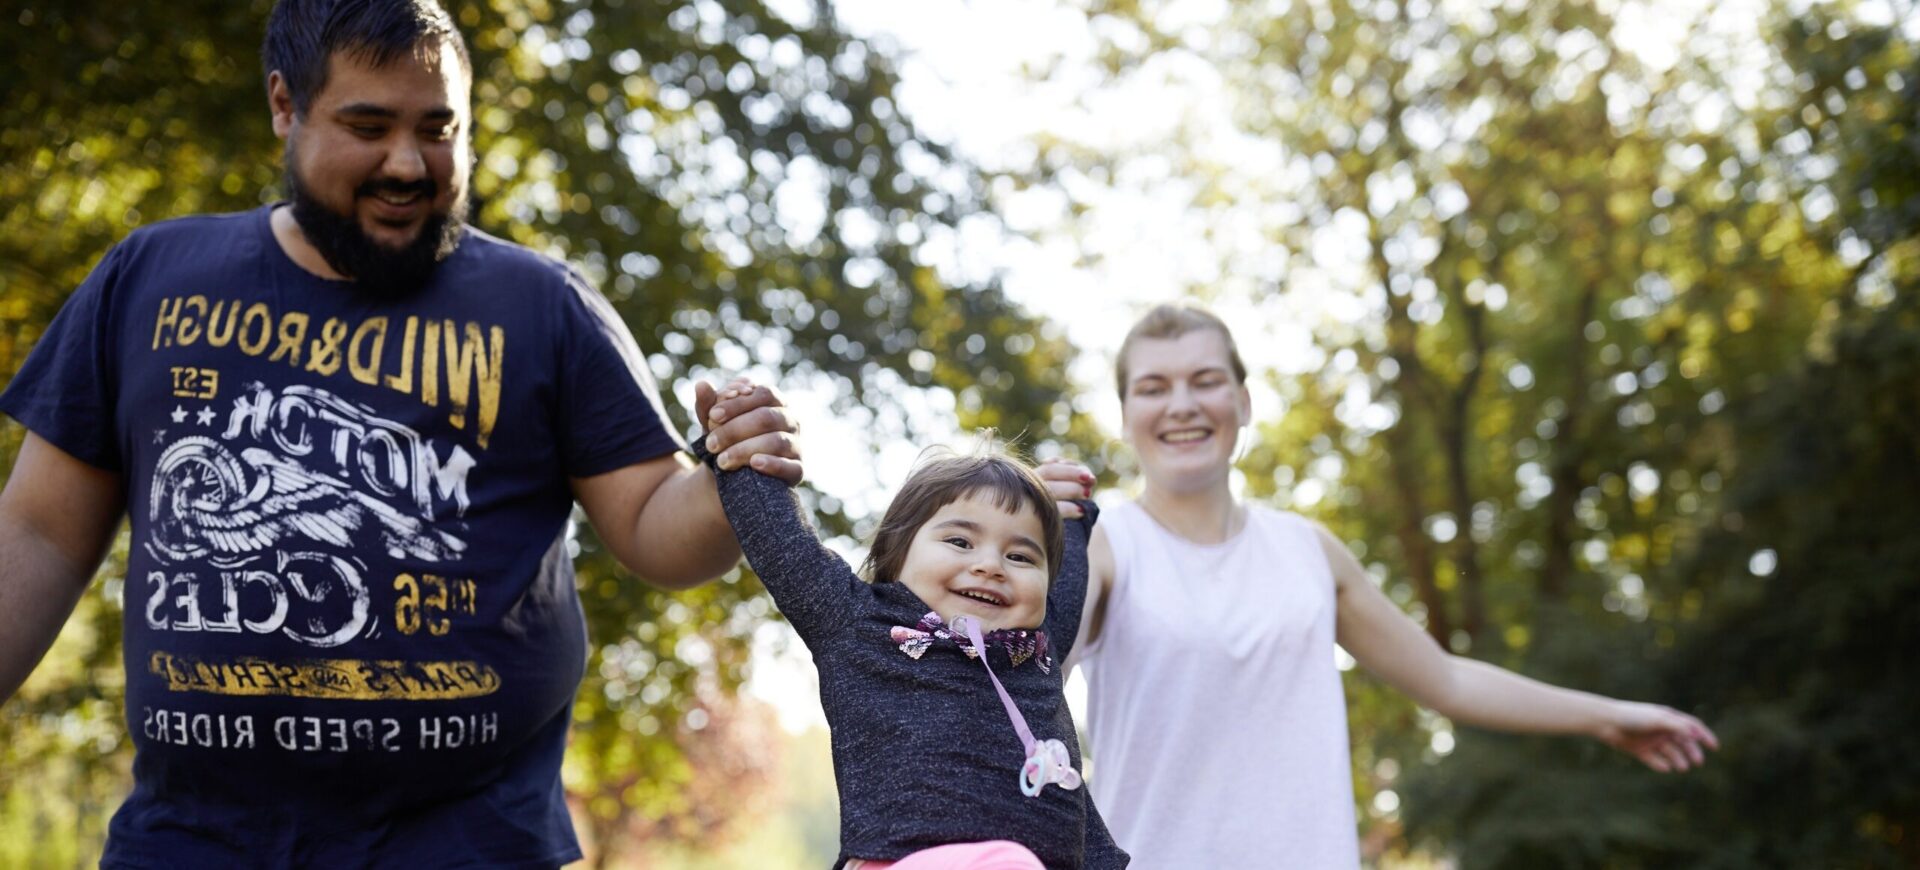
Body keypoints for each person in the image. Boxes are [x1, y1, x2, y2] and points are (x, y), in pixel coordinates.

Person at [0, 1, 802, 865]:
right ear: (284, 106)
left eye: (438, 128)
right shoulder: (149, 280)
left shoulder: (543, 306)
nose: (408, 163)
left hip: (473, 842)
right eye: (368, 125)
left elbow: (654, 527)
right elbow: (39, 532)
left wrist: (727, 473)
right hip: (192, 842)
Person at [1038, 303, 1719, 868]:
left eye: (1206, 380)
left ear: (1242, 402)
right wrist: (1015, 544)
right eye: (1153, 387)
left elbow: (1447, 680)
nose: (1181, 404)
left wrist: (1607, 716)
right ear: (1126, 416)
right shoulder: (1104, 545)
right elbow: (1031, 669)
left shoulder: (1308, 550)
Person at [696, 422, 1127, 869]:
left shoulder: (1038, 650)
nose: (990, 565)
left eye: (1020, 556)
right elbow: (781, 541)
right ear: (896, 555)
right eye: (960, 541)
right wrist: (738, 445)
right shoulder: (860, 623)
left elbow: (1071, 581)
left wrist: (1071, 512)